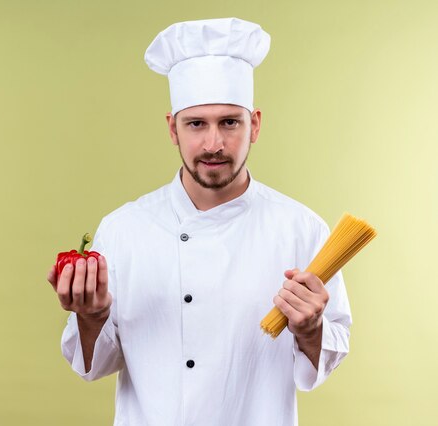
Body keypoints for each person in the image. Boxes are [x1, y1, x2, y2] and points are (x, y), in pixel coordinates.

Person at [46, 17, 351, 426]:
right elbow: (95, 364)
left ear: (254, 125)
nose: (213, 144)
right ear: (173, 128)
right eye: (196, 124)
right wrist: (91, 316)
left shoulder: (302, 228)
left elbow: (329, 354)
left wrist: (312, 329)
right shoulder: (124, 229)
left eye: (229, 122)